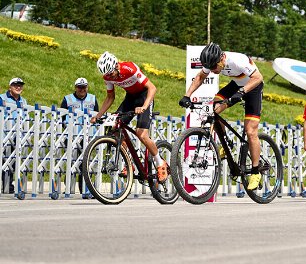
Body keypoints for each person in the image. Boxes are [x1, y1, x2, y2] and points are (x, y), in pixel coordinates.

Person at [180, 43, 265, 190]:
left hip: (253, 87)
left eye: (214, 68)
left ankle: (256, 171)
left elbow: (258, 77)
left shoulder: (237, 60)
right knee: (214, 110)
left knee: (250, 131)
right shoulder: (212, 61)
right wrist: (187, 95)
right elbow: (200, 76)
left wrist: (242, 92)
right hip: (236, 85)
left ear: (221, 60)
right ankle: (227, 145)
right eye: (210, 68)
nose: (212, 71)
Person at [90, 52, 167, 182]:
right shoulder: (107, 76)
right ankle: (129, 163)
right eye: (107, 75)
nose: (109, 77)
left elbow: (152, 88)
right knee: (116, 128)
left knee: (141, 134)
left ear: (116, 66)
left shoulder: (129, 68)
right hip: (130, 99)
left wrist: (144, 106)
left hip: (144, 96)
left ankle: (160, 163)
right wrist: (98, 116)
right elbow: (110, 97)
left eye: (111, 73)